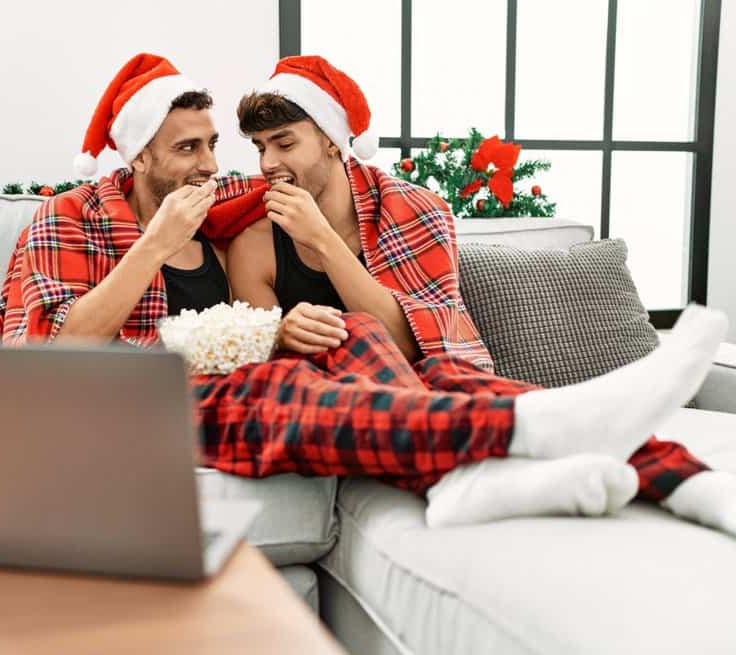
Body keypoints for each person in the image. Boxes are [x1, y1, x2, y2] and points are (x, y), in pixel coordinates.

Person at [0, 53, 735, 536]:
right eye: (190, 148)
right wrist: (155, 247)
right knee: (293, 390)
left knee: (360, 338)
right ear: (138, 151)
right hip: (132, 398)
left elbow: (406, 333)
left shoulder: (237, 201)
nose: (214, 164)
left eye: (216, 145)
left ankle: (680, 477)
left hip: (269, 369)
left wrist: (284, 322)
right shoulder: (70, 217)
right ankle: (519, 431)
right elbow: (55, 351)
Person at [225, 55, 735, 530]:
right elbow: (271, 368)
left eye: (284, 143)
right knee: (353, 331)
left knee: (466, 380)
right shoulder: (253, 245)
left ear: (333, 141)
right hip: (339, 400)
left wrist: (321, 239)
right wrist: (284, 331)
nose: (268, 162)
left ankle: (690, 481)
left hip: (425, 378)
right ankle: (475, 467)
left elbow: (414, 342)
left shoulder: (415, 211)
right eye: (259, 146)